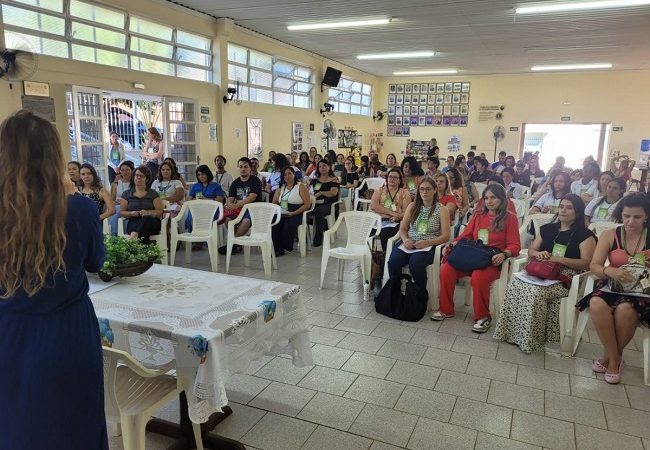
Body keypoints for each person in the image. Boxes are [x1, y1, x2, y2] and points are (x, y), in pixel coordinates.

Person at [0, 111, 108, 449]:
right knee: (75, 425)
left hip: (9, 331)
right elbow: (97, 261)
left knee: (17, 423)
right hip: (66, 334)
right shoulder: (78, 210)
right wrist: (72, 192)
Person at [494, 194, 596, 353]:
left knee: (534, 291)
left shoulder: (585, 235)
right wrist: (538, 254)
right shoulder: (548, 229)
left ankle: (530, 340)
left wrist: (559, 259)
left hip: (566, 276)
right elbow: (531, 250)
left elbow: (586, 263)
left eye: (569, 208)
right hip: (542, 270)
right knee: (515, 284)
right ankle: (511, 332)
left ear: (578, 212)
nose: (564, 210)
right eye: (562, 206)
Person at [576, 193, 650, 383]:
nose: (631, 221)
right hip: (615, 286)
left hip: (643, 291)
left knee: (626, 309)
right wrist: (610, 271)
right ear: (621, 214)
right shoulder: (610, 235)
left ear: (646, 216)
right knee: (595, 303)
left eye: (637, 217)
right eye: (626, 216)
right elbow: (594, 265)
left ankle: (609, 359)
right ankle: (616, 358)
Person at [433, 184, 521, 333]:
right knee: (447, 269)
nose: (489, 201)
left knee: (478, 277)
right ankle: (446, 309)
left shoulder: (510, 218)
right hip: (474, 255)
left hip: (493, 259)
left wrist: (504, 254)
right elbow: (466, 235)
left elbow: (515, 245)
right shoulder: (479, 215)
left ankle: (483, 317)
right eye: (486, 198)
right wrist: (454, 243)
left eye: (493, 197)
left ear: (501, 198)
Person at [387, 177, 450, 292]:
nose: (424, 192)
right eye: (421, 189)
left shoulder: (442, 210)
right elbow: (403, 228)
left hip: (429, 245)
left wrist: (428, 242)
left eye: (428, 189)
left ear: (435, 190)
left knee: (415, 263)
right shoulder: (412, 206)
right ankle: (394, 292)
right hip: (410, 243)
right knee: (394, 261)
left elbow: (446, 236)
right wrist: (405, 240)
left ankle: (420, 294)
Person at [218, 157, 262, 255]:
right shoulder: (235, 182)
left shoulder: (255, 181)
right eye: (241, 166)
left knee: (246, 221)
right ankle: (236, 245)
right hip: (239, 210)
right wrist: (229, 204)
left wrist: (236, 205)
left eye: (245, 167)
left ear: (250, 168)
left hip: (253, 210)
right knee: (228, 219)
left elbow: (252, 197)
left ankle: (232, 244)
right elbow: (230, 198)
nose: (243, 169)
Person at [271, 167, 311, 256]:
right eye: (285, 175)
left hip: (299, 212)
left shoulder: (300, 186)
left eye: (289, 173)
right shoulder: (281, 187)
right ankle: (277, 249)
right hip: (283, 212)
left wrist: (294, 213)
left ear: (294, 175)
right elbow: (274, 203)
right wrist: (279, 211)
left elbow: (307, 204)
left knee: (288, 225)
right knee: (274, 222)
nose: (287, 176)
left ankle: (286, 247)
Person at [119, 165, 163, 244]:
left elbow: (160, 211)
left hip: (151, 222)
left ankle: (133, 238)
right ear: (133, 177)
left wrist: (148, 212)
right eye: (136, 175)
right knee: (142, 231)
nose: (138, 178)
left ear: (147, 179)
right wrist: (131, 213)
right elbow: (122, 212)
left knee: (146, 218)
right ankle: (145, 250)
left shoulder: (153, 193)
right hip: (134, 222)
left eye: (141, 176)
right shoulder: (126, 194)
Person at [371, 168, 412, 250]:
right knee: (366, 231)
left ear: (399, 180)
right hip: (377, 219)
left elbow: (406, 212)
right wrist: (392, 213)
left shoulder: (404, 193)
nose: (392, 179)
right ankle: (371, 258)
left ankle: (385, 256)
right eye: (390, 177)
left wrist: (397, 217)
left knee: (385, 232)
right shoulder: (380, 190)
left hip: (394, 221)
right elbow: (374, 206)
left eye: (395, 177)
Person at [310, 159, 340, 247]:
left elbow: (333, 193)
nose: (322, 168)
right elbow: (311, 191)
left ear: (329, 167)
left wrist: (322, 193)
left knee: (319, 211)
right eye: (320, 166)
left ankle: (318, 238)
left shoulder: (334, 180)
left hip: (328, 204)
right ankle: (304, 237)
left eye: (324, 166)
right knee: (304, 210)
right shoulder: (315, 180)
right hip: (315, 203)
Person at [110, 160, 135, 235]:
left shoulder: (135, 183)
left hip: (130, 205)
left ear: (132, 170)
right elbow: (112, 199)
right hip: (117, 204)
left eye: (127, 169)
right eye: (122, 170)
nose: (125, 172)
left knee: (118, 209)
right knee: (116, 208)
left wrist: (124, 202)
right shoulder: (116, 183)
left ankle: (113, 234)